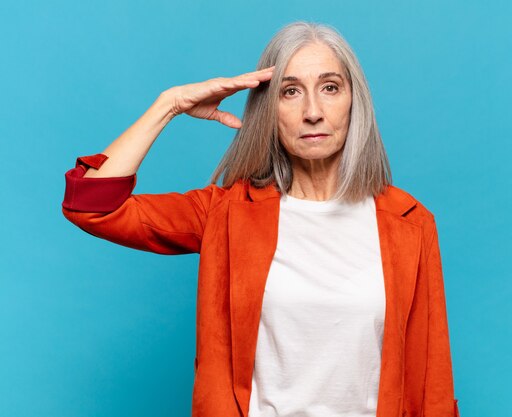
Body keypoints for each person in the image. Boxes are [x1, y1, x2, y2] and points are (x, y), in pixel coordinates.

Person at [61, 21, 460, 417]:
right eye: (290, 92)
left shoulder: (408, 222)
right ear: (269, 110)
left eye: (330, 87)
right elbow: (92, 206)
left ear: (355, 101)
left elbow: (432, 381)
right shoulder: (226, 213)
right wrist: (170, 104)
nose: (313, 112)